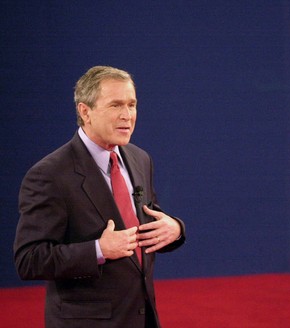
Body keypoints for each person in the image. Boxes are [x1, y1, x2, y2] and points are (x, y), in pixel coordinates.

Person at [14, 66, 186, 328]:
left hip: (142, 318)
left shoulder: (140, 159)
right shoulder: (49, 174)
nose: (127, 115)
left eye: (132, 104)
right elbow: (29, 259)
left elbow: (148, 220)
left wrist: (174, 229)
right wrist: (98, 250)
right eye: (116, 105)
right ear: (85, 111)